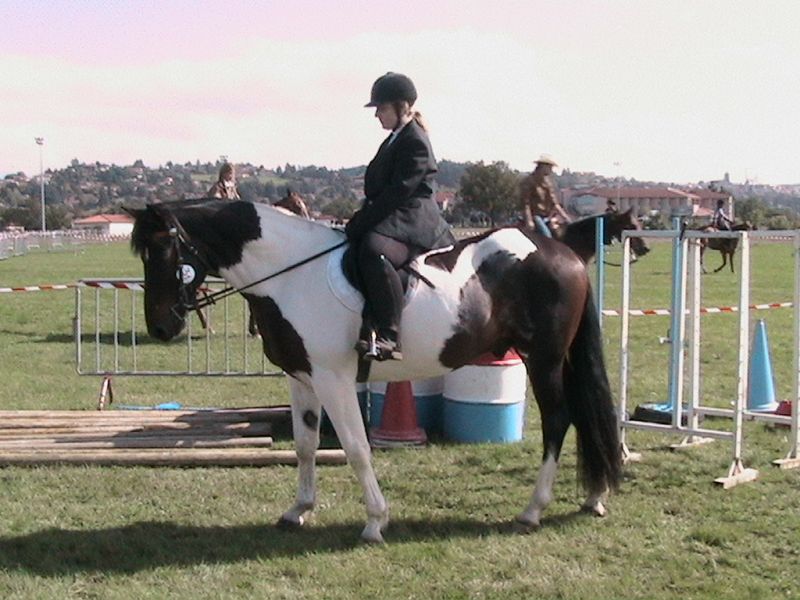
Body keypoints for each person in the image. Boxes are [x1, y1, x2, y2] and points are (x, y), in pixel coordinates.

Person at [345, 72, 454, 361]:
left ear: (401, 106)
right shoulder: (394, 139)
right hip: (397, 213)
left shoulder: (415, 140)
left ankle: (390, 335)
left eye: (381, 108)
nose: (377, 115)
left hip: (414, 217)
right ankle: (367, 322)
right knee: (354, 247)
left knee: (374, 251)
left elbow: (398, 192)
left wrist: (363, 222)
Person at [519, 154, 570, 237]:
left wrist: (566, 218)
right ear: (543, 166)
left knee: (560, 235)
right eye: (550, 167)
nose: (551, 170)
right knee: (547, 236)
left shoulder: (547, 183)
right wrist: (529, 220)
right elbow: (525, 204)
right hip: (535, 216)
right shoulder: (528, 181)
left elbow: (554, 203)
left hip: (546, 216)